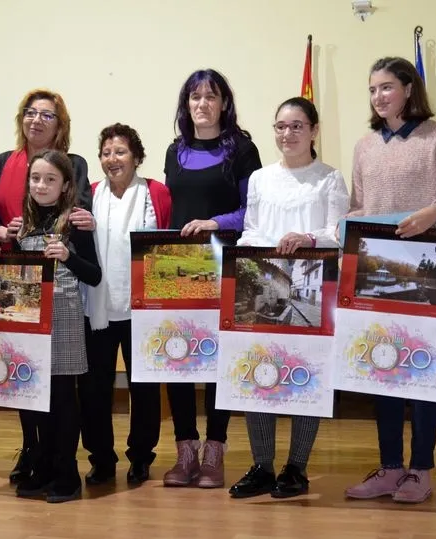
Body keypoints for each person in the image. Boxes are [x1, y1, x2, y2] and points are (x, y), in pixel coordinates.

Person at [343, 57, 436, 504]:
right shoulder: (364, 145)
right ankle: (391, 468)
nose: (378, 97)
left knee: (421, 370)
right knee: (382, 367)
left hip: (430, 269)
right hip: (375, 271)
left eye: (387, 87)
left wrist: (434, 211)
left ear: (410, 89)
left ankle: (421, 470)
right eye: (373, 89)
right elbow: (358, 206)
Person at [228, 97, 348, 499]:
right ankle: (261, 465)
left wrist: (308, 239)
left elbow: (338, 233)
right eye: (281, 126)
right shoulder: (261, 178)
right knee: (259, 373)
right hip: (262, 289)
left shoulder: (330, 178)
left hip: (311, 289)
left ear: (314, 131)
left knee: (304, 375)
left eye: (297, 126)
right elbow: (250, 231)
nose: (287, 134)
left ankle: (296, 467)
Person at [0, 88, 95, 483]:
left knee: (64, 399)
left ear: (66, 184)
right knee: (34, 395)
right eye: (35, 178)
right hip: (29, 320)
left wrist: (68, 256)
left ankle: (66, 471)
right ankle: (43, 462)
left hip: (64, 321)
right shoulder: (24, 227)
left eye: (50, 179)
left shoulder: (74, 223)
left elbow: (93, 273)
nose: (41, 184)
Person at [162, 68, 262, 488]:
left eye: (210, 97)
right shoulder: (175, 151)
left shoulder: (242, 148)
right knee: (178, 356)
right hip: (178, 267)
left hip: (224, 264)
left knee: (219, 360)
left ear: (224, 103)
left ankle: (215, 449)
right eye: (195, 97)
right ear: (186, 104)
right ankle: (185, 450)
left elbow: (251, 211)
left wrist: (213, 222)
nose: (202, 104)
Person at [79, 123, 171, 486]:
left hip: (142, 310)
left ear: (136, 156)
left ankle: (141, 457)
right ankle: (100, 458)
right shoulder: (88, 195)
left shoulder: (156, 193)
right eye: (106, 153)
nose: (112, 159)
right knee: (94, 389)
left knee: (144, 389)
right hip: (96, 308)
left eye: (120, 152)